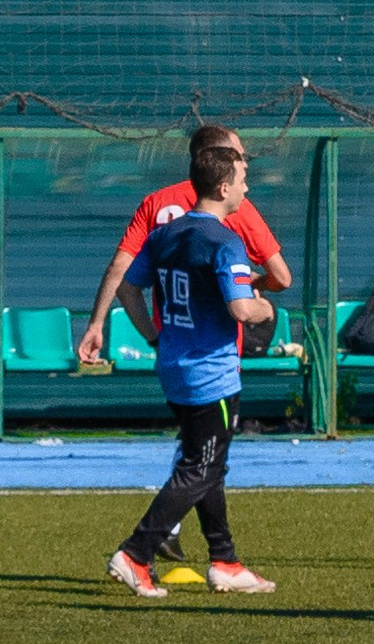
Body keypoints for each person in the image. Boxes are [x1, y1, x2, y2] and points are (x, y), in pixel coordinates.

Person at [78, 123, 293, 587]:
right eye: (242, 179)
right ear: (223, 186)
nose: (247, 188)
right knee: (201, 466)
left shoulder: (166, 233)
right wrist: (266, 309)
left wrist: (155, 338)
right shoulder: (226, 241)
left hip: (173, 364)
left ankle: (225, 561)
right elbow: (242, 308)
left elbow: (128, 287)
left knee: (208, 462)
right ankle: (136, 553)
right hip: (211, 372)